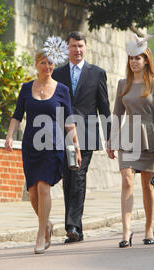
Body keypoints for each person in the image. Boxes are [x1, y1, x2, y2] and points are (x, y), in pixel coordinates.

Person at [5, 37, 82, 254]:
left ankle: (40, 234)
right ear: (36, 64)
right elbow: (17, 115)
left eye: (51, 63)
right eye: (43, 63)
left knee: (43, 187)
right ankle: (46, 224)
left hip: (53, 144)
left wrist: (75, 147)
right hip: (31, 145)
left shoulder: (62, 90)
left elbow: (69, 121)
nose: (47, 67)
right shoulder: (26, 88)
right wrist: (10, 136)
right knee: (32, 192)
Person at [107, 35, 154, 248]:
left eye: (138, 58)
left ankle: (148, 227)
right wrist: (111, 141)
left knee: (148, 185)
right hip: (127, 137)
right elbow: (116, 115)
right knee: (126, 181)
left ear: (146, 60)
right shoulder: (122, 84)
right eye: (131, 58)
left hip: (150, 138)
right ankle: (126, 231)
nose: (134, 62)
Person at [52, 31, 111, 244]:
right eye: (73, 46)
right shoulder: (57, 74)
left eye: (81, 46)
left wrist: (110, 137)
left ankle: (72, 225)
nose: (77, 50)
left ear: (86, 48)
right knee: (68, 180)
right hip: (62, 134)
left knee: (78, 176)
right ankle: (76, 228)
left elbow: (104, 107)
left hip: (87, 134)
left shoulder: (97, 73)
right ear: (67, 48)